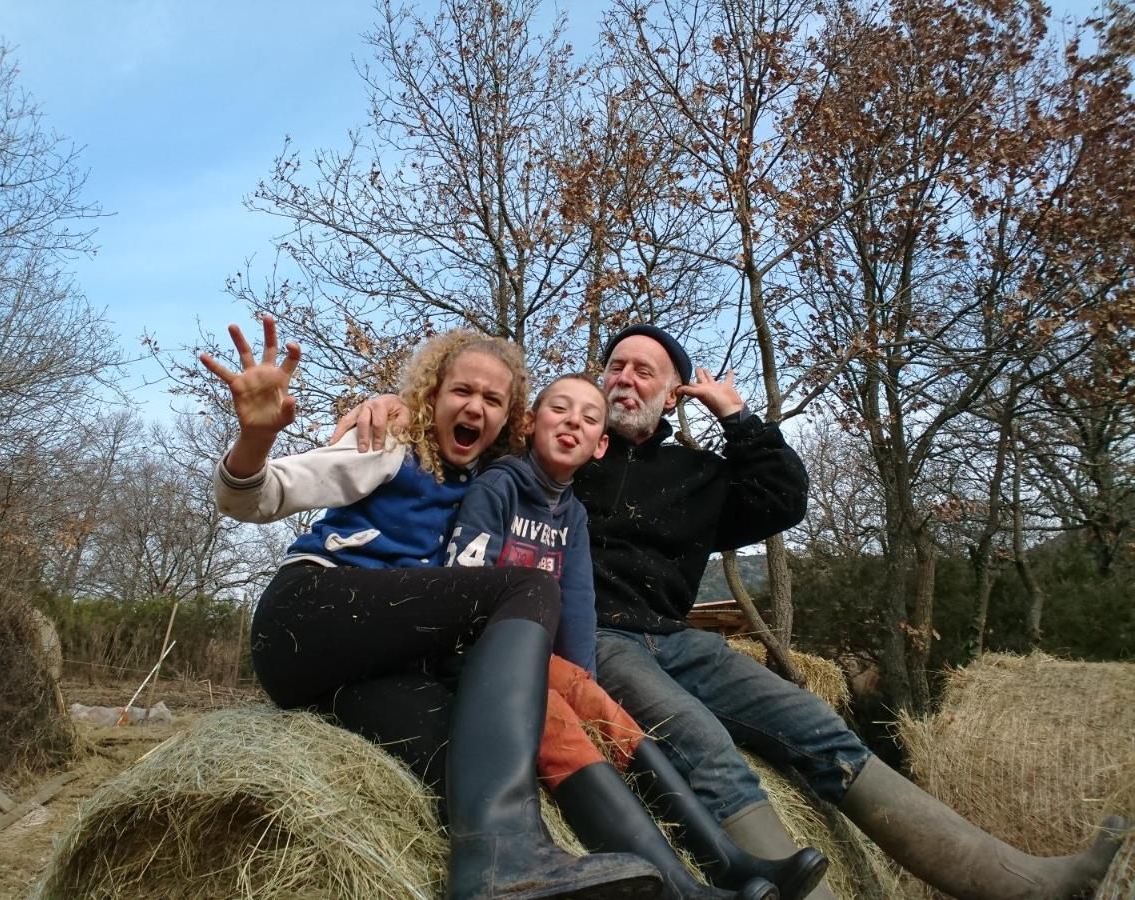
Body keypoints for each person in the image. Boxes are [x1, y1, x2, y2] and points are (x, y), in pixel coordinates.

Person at [337, 323, 1128, 900]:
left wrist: (737, 417)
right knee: (706, 747)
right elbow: (460, 417)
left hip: (680, 638)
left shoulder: (699, 476)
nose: (623, 379)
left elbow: (785, 496)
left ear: (672, 389)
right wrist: (385, 403)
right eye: (614, 364)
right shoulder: (560, 458)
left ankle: (1016, 882)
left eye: (645, 370)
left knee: (819, 729)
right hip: (603, 642)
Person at [203, 318, 663, 900]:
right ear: (433, 396)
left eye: (492, 399)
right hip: (310, 613)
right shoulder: (391, 446)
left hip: (357, 675)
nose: (474, 406)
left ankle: (502, 866)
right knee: (528, 587)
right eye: (461, 391)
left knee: (467, 757)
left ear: (510, 420)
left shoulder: (492, 486)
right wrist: (256, 439)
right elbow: (255, 496)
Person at [445, 373, 825, 900]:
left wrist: (586, 685)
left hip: (536, 657)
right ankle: (679, 887)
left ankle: (729, 860)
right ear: (530, 424)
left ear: (601, 444)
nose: (572, 422)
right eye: (559, 410)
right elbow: (463, 582)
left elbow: (578, 607)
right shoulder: (500, 485)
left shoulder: (572, 513)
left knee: (611, 718)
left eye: (588, 417)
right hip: (482, 655)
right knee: (560, 728)